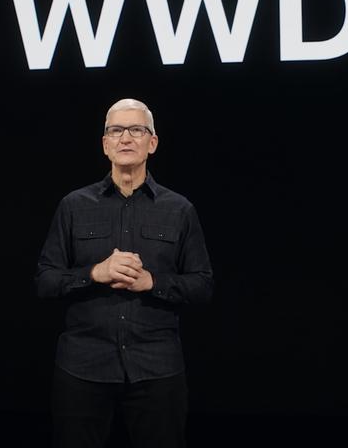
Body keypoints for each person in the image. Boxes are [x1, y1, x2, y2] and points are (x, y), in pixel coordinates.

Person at [35, 98, 214, 448]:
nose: (125, 138)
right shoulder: (73, 206)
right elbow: (44, 280)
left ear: (153, 142)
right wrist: (94, 272)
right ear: (105, 144)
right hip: (82, 369)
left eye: (136, 129)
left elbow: (203, 285)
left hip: (157, 369)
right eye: (116, 130)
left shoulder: (180, 209)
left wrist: (153, 282)